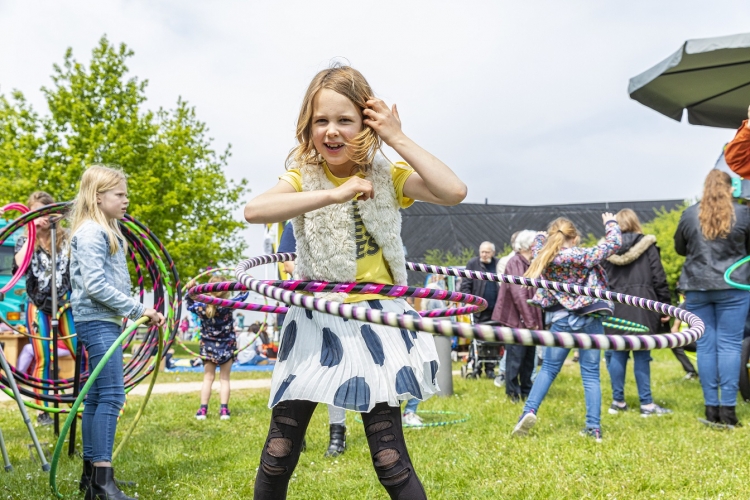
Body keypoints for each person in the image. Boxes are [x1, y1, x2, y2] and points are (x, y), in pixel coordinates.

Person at [243, 64, 466, 499]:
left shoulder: (388, 175)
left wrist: (397, 137)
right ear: (307, 128)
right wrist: (332, 194)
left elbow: (453, 190)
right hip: (314, 323)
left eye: (344, 120)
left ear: (366, 124)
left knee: (389, 457)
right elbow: (254, 210)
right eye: (320, 121)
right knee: (279, 449)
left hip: (376, 326)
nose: (331, 131)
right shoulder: (303, 178)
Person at [69, 165, 165, 499]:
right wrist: (140, 310)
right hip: (97, 321)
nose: (126, 201)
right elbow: (95, 285)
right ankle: (103, 483)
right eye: (120, 195)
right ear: (98, 197)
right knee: (112, 396)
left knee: (96, 398)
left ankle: (91, 478)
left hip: (100, 320)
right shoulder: (94, 232)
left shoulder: (104, 230)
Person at [512, 213, 621, 442]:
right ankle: (594, 428)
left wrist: (542, 237)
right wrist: (610, 223)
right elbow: (614, 244)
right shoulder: (584, 255)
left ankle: (528, 411)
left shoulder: (545, 256)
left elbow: (537, 245)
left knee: (549, 369)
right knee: (591, 374)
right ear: (576, 237)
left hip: (560, 319)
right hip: (589, 318)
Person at [674, 169, 750, 427]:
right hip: (734, 286)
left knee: (706, 346)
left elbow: (680, 248)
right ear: (731, 189)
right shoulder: (743, 213)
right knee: (729, 346)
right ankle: (728, 412)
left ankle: (711, 410)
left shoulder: (689, 214)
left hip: (697, 286)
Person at [13, 191, 76, 426]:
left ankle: (81, 399)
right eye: (35, 213)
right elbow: (20, 264)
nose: (40, 219)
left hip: (66, 303)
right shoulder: (24, 240)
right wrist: (32, 231)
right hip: (38, 305)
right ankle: (44, 410)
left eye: (44, 214)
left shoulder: (66, 238)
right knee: (42, 358)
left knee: (80, 351)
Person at [601, 209, 673, 416]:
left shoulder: (607, 249)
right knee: (642, 354)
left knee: (617, 353)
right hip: (643, 306)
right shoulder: (648, 245)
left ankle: (618, 402)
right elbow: (659, 277)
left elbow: (600, 280)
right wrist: (664, 305)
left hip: (615, 305)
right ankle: (647, 405)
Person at [187, 275, 248, 421]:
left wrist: (190, 289)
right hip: (227, 346)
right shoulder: (228, 304)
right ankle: (224, 411)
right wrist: (245, 280)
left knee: (208, 379)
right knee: (224, 379)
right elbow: (243, 295)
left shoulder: (200, 306)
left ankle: (202, 410)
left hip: (208, 347)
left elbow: (189, 304)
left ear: (208, 289)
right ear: (226, 291)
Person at [490, 230, 541, 403]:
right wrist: (530, 321)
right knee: (515, 358)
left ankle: (526, 390)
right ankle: (513, 393)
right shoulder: (515, 262)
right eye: (535, 243)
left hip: (529, 318)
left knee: (529, 357)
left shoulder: (530, 262)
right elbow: (519, 294)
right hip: (516, 319)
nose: (538, 246)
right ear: (528, 245)